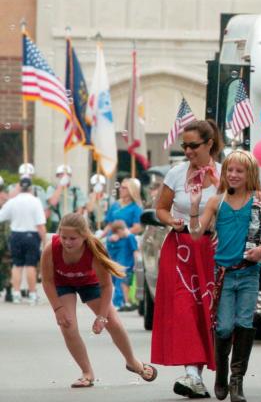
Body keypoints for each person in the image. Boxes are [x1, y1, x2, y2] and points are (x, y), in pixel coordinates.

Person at [191, 150, 261, 402]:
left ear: (250, 174)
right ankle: (221, 373)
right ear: (224, 173)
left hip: (248, 272)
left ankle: (237, 380)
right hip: (224, 275)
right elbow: (196, 234)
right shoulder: (217, 202)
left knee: (244, 323)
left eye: (240, 171)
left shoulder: (258, 199)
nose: (234, 175)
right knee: (224, 325)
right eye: (230, 170)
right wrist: (195, 207)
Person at [39, 212, 157, 388]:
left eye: (73, 238)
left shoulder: (94, 248)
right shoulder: (51, 248)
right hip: (62, 283)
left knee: (113, 322)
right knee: (67, 325)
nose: (67, 242)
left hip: (90, 283)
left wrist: (102, 317)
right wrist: (58, 309)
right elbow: (47, 281)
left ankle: (133, 362)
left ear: (84, 236)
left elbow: (107, 286)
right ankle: (87, 373)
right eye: (64, 237)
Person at [151, 119, 223, 398]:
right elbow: (160, 208)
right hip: (181, 249)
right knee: (184, 307)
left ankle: (209, 372)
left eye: (194, 145)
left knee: (210, 310)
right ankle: (191, 373)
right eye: (184, 146)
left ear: (209, 144)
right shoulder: (176, 173)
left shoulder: (225, 173)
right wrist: (172, 220)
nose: (188, 151)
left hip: (213, 248)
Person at [0, 176, 47, 305]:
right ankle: (32, 294)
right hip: (31, 235)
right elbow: (40, 224)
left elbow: (1, 216)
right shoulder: (36, 201)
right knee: (30, 265)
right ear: (31, 187)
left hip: (15, 235)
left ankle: (16, 294)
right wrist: (44, 241)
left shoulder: (13, 201)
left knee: (17, 265)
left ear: (20, 187)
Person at [105, 219, 139, 311]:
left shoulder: (129, 237)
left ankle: (119, 303)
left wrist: (136, 264)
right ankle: (124, 302)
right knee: (120, 284)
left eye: (118, 233)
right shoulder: (116, 239)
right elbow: (108, 248)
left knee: (122, 284)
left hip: (126, 266)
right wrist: (110, 239)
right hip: (117, 266)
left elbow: (135, 251)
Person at [45, 165, 88, 233]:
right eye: (61, 174)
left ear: (70, 176)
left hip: (72, 224)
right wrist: (61, 186)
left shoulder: (76, 190)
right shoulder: (52, 189)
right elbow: (53, 202)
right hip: (56, 223)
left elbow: (80, 210)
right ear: (57, 176)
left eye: (67, 174)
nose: (64, 176)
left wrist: (72, 222)